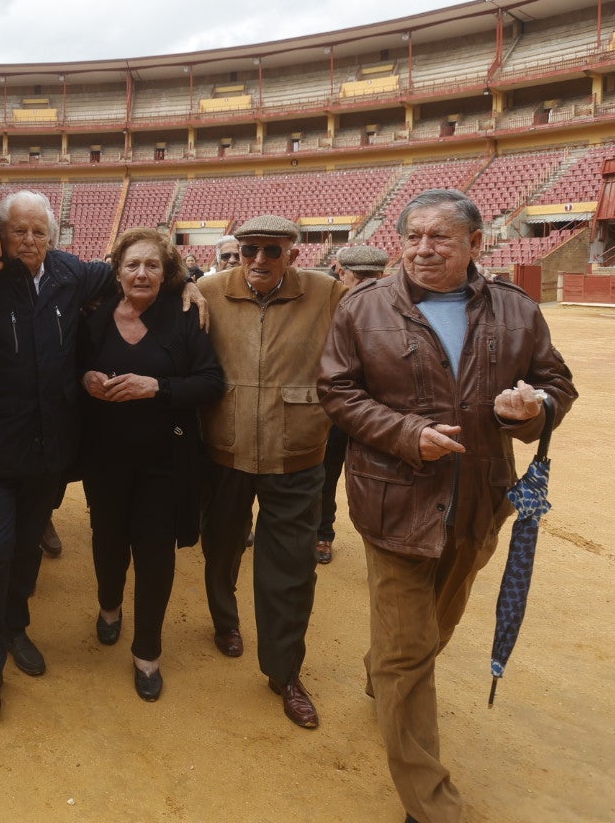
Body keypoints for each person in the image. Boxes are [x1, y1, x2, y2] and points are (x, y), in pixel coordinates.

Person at [320, 189, 575, 823]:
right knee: (411, 653)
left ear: (475, 245)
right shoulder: (363, 308)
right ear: (399, 242)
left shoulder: (517, 311)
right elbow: (337, 390)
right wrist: (408, 435)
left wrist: (536, 408)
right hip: (395, 503)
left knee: (436, 628)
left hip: (479, 505)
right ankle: (431, 805)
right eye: (413, 238)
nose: (424, 250)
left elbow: (556, 382)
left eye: (440, 238)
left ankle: (382, 670)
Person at [0, 190, 191, 718]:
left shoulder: (70, 273)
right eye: (19, 232)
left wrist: (190, 286)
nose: (29, 241)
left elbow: (138, 274)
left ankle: (16, 628)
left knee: (27, 547)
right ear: (0, 236)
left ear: (53, 236)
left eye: (39, 232)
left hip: (44, 449)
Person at [199, 215, 346, 729]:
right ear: (237, 252)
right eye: (249, 250)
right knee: (220, 545)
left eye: (272, 251)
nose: (259, 260)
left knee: (290, 569)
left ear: (294, 253)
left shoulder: (327, 293)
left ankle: (285, 673)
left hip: (298, 452)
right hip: (225, 448)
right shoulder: (208, 291)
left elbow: (360, 345)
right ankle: (224, 620)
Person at [77, 228, 222, 701]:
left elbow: (211, 383)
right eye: (133, 265)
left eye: (152, 266)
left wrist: (156, 387)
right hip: (104, 457)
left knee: (155, 555)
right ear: (116, 271)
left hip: (166, 461)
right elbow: (72, 364)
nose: (142, 273)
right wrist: (86, 377)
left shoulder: (184, 316)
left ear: (168, 273)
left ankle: (147, 650)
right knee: (108, 540)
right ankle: (109, 606)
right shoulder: (95, 316)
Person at [315, 244, 390, 566]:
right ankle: (323, 534)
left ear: (382, 276)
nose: (363, 285)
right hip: (331, 410)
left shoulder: (394, 309)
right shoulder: (323, 305)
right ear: (339, 271)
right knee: (325, 476)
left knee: (376, 477)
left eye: (371, 278)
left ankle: (384, 540)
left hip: (373, 411)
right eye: (355, 277)